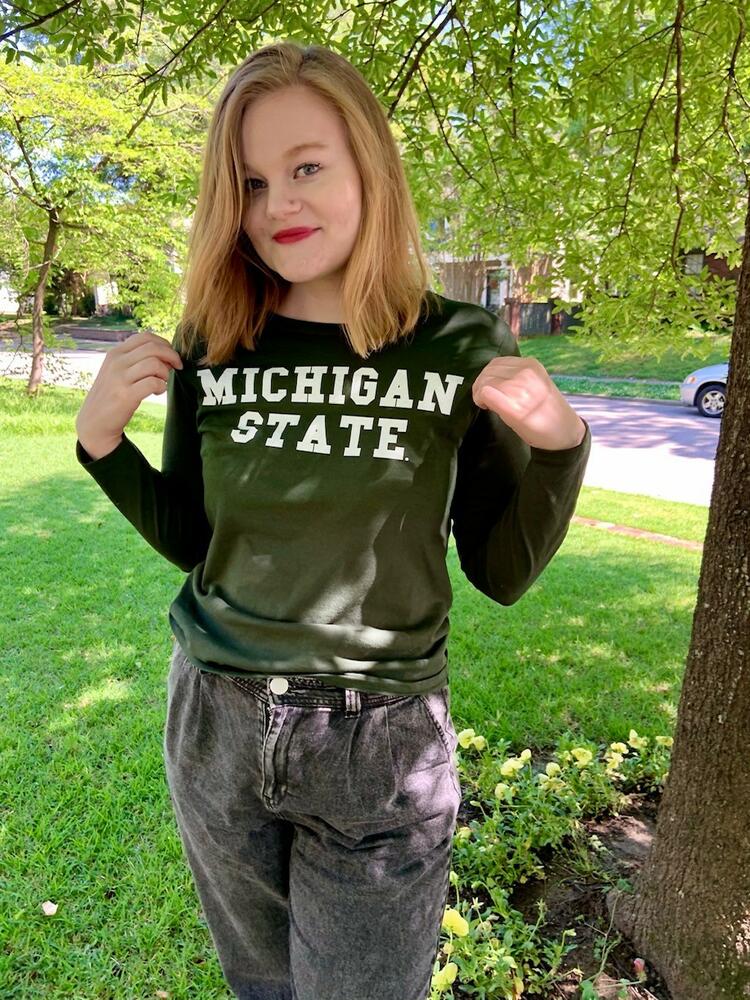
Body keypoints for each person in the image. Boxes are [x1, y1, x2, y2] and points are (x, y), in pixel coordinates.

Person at [74, 40, 591, 1000]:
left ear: (369, 166)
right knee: (261, 986)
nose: (280, 207)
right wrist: (103, 448)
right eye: (253, 181)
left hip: (380, 744)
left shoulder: (456, 343)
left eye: (307, 167)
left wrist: (560, 449)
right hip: (215, 725)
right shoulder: (215, 339)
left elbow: (501, 570)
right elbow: (197, 541)